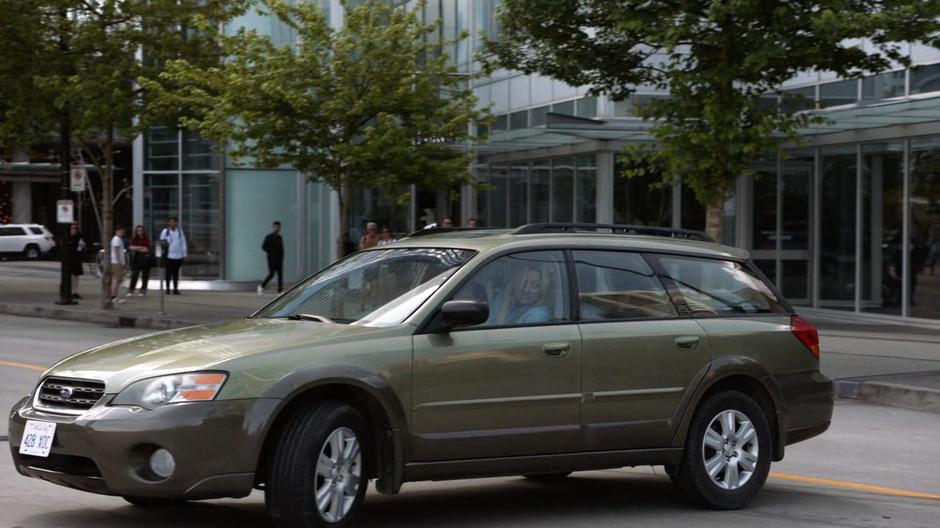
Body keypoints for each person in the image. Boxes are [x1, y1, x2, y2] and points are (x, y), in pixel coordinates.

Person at [159, 217, 187, 295]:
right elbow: (162, 242)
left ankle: (175, 288)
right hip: (169, 255)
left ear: (176, 223)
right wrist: (162, 253)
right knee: (168, 273)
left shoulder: (180, 231)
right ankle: (167, 288)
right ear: (168, 223)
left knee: (176, 273)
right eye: (171, 222)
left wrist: (184, 253)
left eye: (174, 222)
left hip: (178, 255)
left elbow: (183, 242)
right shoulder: (165, 231)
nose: (172, 224)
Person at [258, 221, 284, 294]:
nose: (277, 228)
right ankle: (262, 286)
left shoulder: (280, 237)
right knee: (271, 274)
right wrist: (271, 251)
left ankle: (280, 290)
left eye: (278, 227)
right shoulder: (269, 237)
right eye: (276, 227)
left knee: (280, 274)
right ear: (273, 227)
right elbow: (263, 247)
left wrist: (282, 259)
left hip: (279, 259)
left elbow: (281, 249)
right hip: (271, 259)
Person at [127, 225, 152, 297]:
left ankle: (143, 290)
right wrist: (140, 247)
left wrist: (136, 248)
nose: (139, 231)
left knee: (145, 276)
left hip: (146, 260)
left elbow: (146, 249)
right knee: (134, 275)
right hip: (136, 260)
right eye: (138, 230)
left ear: (143, 231)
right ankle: (131, 290)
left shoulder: (146, 239)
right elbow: (130, 247)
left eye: (141, 230)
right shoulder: (134, 239)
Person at [64, 223, 85, 300]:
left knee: (76, 275)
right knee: (70, 275)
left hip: (77, 257)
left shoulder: (79, 236)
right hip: (69, 257)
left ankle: (75, 291)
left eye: (76, 228)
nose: (75, 230)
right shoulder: (67, 236)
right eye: (73, 228)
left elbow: (81, 245)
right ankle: (69, 291)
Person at [110, 225, 127, 305]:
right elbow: (116, 251)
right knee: (117, 279)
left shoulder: (117, 239)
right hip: (117, 262)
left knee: (116, 279)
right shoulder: (116, 239)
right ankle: (114, 296)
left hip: (116, 262)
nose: (121, 232)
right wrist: (119, 261)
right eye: (120, 231)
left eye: (122, 231)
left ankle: (114, 296)